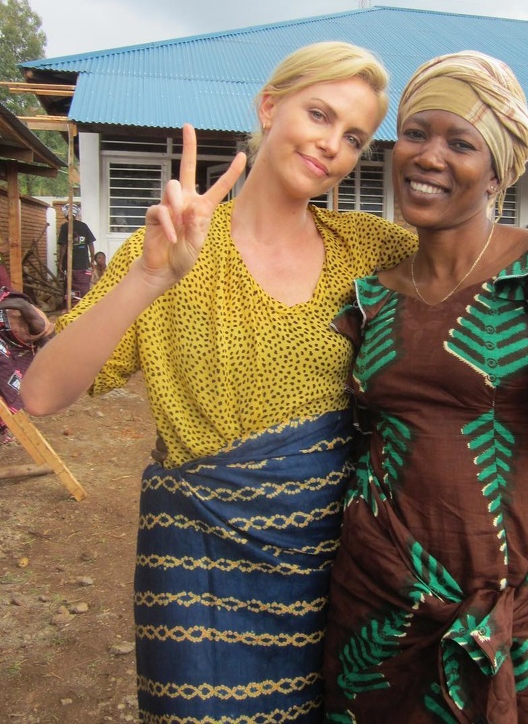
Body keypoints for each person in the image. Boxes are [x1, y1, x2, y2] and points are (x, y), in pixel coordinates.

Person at [21, 42, 416, 722]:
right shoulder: (175, 247)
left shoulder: (372, 251)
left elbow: (477, 267)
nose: (331, 145)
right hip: (198, 574)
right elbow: (42, 394)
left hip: (332, 572)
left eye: (354, 137)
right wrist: (150, 277)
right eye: (319, 114)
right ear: (269, 106)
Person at [323, 51, 528, 723]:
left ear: (499, 170)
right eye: (416, 133)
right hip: (382, 618)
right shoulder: (370, 298)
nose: (428, 155)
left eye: (461, 142)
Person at [0, 287, 54, 443]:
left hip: (5, 331)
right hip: (4, 315)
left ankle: (4, 423)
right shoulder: (39, 324)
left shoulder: (29, 346)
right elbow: (19, 303)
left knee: (11, 374)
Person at [56, 203, 97, 302]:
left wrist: (60, 262)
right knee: (84, 285)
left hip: (71, 265)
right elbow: (91, 244)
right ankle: (83, 304)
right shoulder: (84, 226)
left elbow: (63, 246)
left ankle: (71, 305)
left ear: (66, 214)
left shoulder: (65, 227)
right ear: (76, 214)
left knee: (70, 285)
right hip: (84, 263)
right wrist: (92, 260)